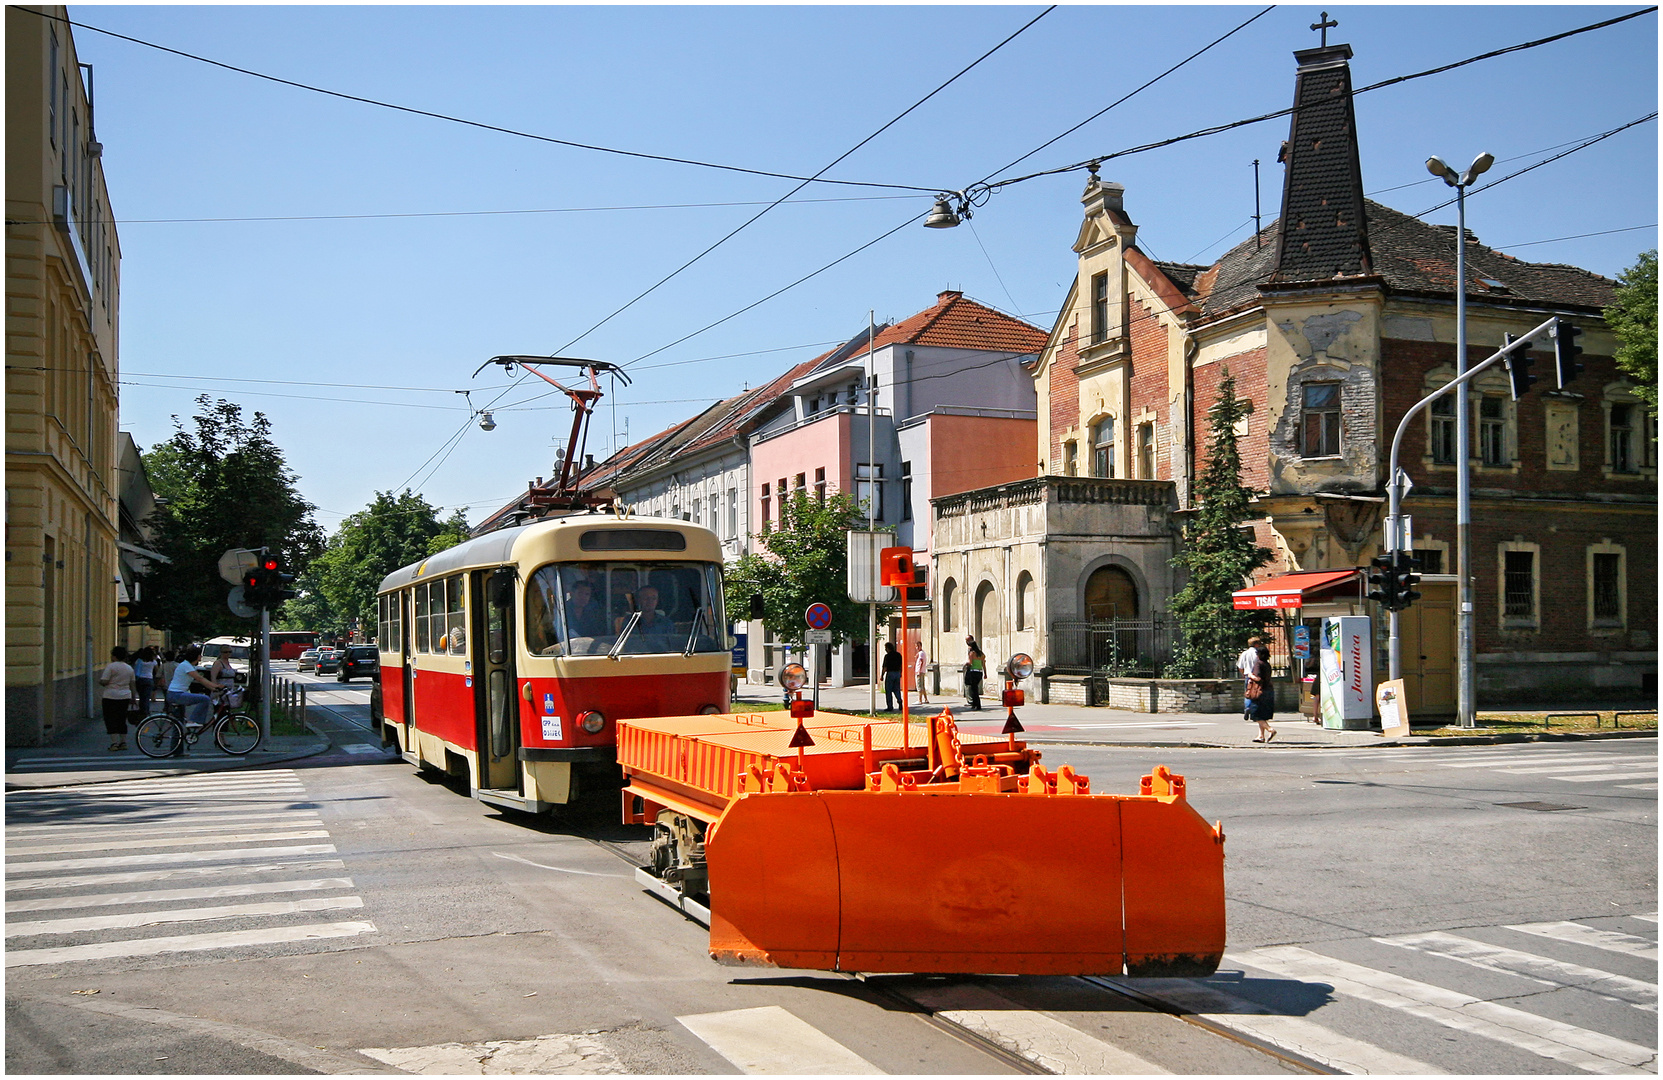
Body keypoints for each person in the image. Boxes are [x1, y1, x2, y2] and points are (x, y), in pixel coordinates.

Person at [167, 645, 221, 731]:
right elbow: (200, 678)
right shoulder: (186, 666)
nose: (201, 657)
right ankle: (193, 721)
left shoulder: (187, 665)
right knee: (205, 699)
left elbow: (201, 681)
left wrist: (213, 689)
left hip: (175, 694)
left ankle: (177, 743)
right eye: (200, 655)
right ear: (197, 656)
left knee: (178, 726)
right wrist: (216, 686)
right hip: (177, 694)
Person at [98, 646, 135, 751]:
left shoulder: (111, 667)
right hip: (125, 696)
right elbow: (132, 684)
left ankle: (114, 743)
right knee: (121, 719)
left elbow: (104, 681)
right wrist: (133, 697)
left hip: (110, 696)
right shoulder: (129, 668)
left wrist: (100, 682)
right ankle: (123, 742)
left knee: (110, 719)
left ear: (114, 656)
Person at [1244, 636, 1277, 743]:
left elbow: (1257, 678)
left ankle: (1270, 729)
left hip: (1259, 692)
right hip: (1268, 691)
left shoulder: (1258, 664)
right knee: (1263, 715)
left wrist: (1250, 675)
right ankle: (1261, 736)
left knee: (1256, 715)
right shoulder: (1267, 664)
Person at [131, 646, 158, 714]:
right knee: (146, 697)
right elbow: (157, 671)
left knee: (141, 696)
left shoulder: (139, 661)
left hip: (140, 679)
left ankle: (141, 710)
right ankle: (146, 711)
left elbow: (135, 669)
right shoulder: (153, 661)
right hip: (149, 679)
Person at [963, 636, 986, 710]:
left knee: (973, 689)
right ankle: (975, 704)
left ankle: (977, 705)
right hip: (979, 672)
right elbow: (983, 664)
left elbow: (970, 663)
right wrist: (985, 673)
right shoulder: (981, 654)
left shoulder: (972, 653)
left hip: (973, 672)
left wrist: (966, 664)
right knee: (975, 688)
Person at [881, 641, 903, 712]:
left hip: (890, 673)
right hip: (897, 673)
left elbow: (885, 667)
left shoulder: (887, 656)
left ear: (888, 648)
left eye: (885, 648)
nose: (885, 649)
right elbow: (901, 665)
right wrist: (900, 673)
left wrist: (882, 675)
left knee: (888, 690)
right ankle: (899, 701)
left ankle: (890, 706)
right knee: (897, 689)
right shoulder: (898, 655)